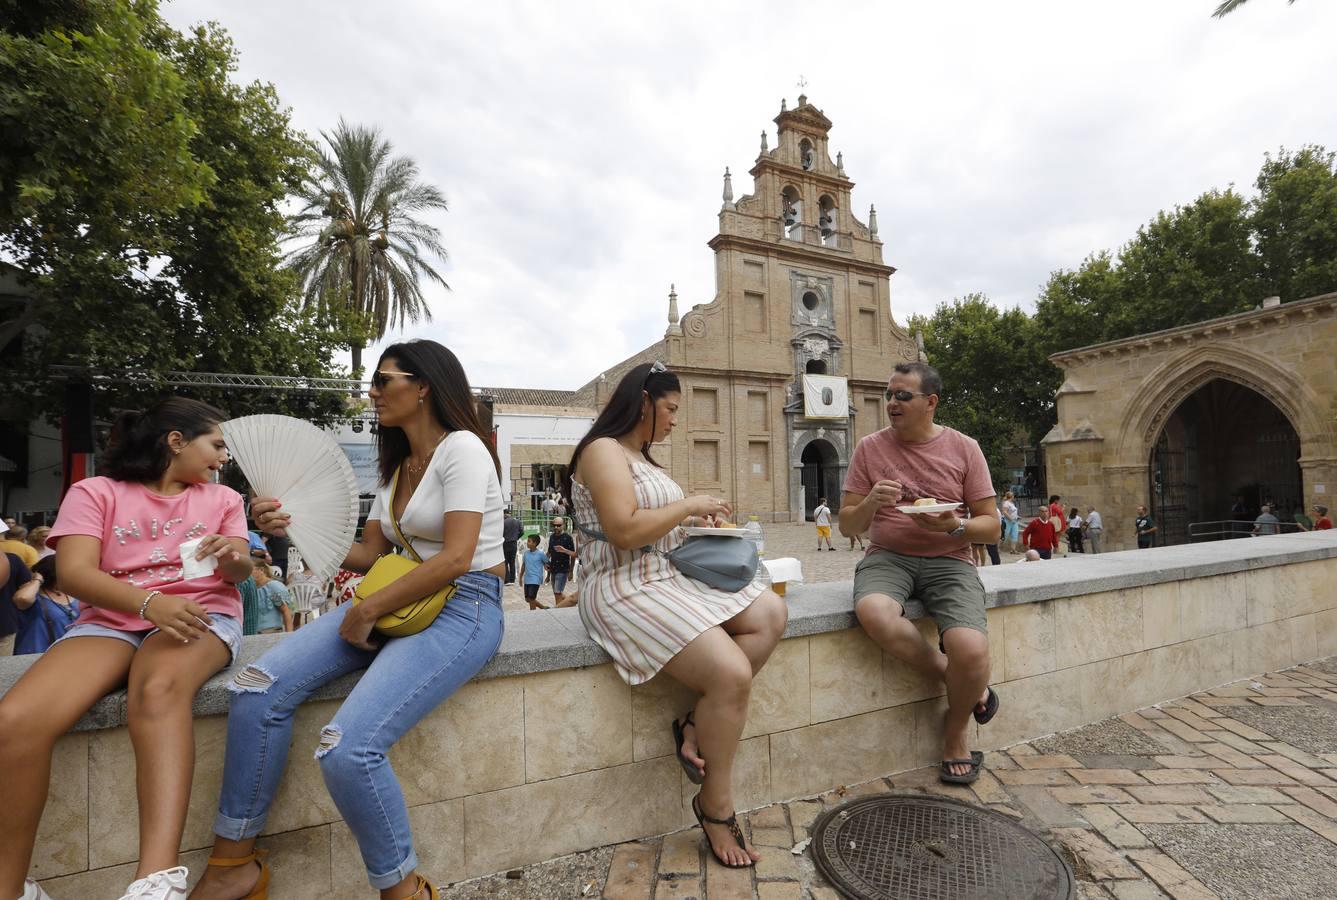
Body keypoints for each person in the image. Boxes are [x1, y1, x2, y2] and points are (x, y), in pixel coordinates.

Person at [191, 340, 505, 900]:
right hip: (397, 596)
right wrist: (290, 525)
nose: (373, 392)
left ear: (423, 385)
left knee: (347, 748)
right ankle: (232, 862)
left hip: (464, 605)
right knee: (256, 688)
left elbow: (457, 556)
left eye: (385, 381)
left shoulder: (464, 449)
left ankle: (404, 888)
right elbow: (365, 553)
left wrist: (366, 609)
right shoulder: (398, 466)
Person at [0, 398, 249, 900]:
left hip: (201, 615)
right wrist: (148, 602)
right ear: (176, 440)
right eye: (216, 444)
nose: (223, 457)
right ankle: (11, 887)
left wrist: (232, 557)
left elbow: (240, 572)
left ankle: (157, 882)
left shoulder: (223, 500)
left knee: (157, 688)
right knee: (16, 720)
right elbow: (73, 573)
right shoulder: (95, 492)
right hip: (113, 619)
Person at [566, 361, 786, 869]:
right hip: (621, 585)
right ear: (643, 401)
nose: (674, 421)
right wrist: (688, 505)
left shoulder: (643, 458)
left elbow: (657, 525)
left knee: (771, 611)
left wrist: (695, 522)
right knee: (730, 672)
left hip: (665, 576)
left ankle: (694, 724)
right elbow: (622, 529)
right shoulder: (601, 451)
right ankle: (714, 806)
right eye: (670, 409)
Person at [839, 362, 1000, 787]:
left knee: (972, 649)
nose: (892, 403)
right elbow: (848, 526)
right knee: (873, 611)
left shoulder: (965, 448)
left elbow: (993, 525)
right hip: (888, 556)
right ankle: (965, 682)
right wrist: (872, 501)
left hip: (951, 560)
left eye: (902, 396)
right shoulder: (869, 449)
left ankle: (956, 733)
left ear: (930, 402)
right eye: (889, 394)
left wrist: (954, 526)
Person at [12, 555, 80, 655]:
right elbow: (23, 598)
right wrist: (37, 580)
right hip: (36, 654)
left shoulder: (72, 592)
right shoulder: (35, 595)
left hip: (67, 653)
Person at [249, 559, 292, 634]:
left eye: (249, 570)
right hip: (255, 634)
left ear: (261, 570)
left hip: (272, 633)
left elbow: (286, 611)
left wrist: (289, 635)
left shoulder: (273, 587)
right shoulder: (251, 589)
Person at [0, 552, 30, 657]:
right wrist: (38, 580)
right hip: (5, 623)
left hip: (5, 625)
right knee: (3, 668)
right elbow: (26, 588)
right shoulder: (11, 559)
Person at [546, 517, 576, 606]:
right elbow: (549, 553)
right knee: (557, 592)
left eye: (558, 525)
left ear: (563, 525)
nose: (556, 527)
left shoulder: (568, 538)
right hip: (553, 568)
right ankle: (571, 601)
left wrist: (571, 571)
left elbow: (573, 555)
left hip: (563, 569)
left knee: (557, 593)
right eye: (554, 525)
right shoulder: (552, 537)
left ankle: (558, 611)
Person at [519, 533, 549, 610]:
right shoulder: (525, 554)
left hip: (536, 578)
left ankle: (533, 613)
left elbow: (547, 563)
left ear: (535, 543)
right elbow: (523, 565)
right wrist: (520, 577)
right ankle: (542, 607)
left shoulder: (541, 554)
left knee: (531, 598)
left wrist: (548, 575)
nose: (527, 543)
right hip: (527, 579)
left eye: (529, 541)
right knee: (527, 599)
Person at [501, 509, 522, 584]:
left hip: (505, 543)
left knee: (505, 562)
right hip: (514, 543)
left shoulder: (503, 522)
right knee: (512, 562)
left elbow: (500, 533)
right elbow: (522, 532)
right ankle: (512, 580)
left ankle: (506, 580)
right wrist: (516, 538)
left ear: (505, 514)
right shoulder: (517, 521)